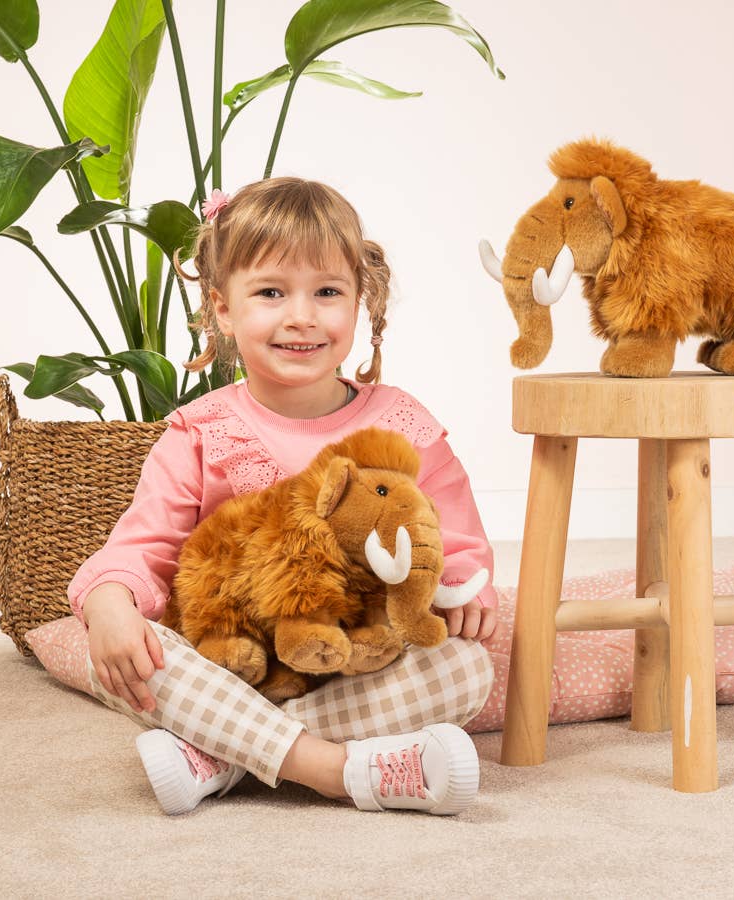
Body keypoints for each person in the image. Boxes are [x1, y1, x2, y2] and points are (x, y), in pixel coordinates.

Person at [68, 177, 499, 816]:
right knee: (128, 656)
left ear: (360, 302)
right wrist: (109, 601)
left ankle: (222, 755)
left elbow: (452, 535)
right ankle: (334, 770)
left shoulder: (402, 423)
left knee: (466, 667)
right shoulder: (201, 432)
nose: (302, 316)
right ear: (223, 309)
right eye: (271, 292)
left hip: (356, 659)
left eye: (327, 292)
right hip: (231, 662)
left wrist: (464, 586)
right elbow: (142, 546)